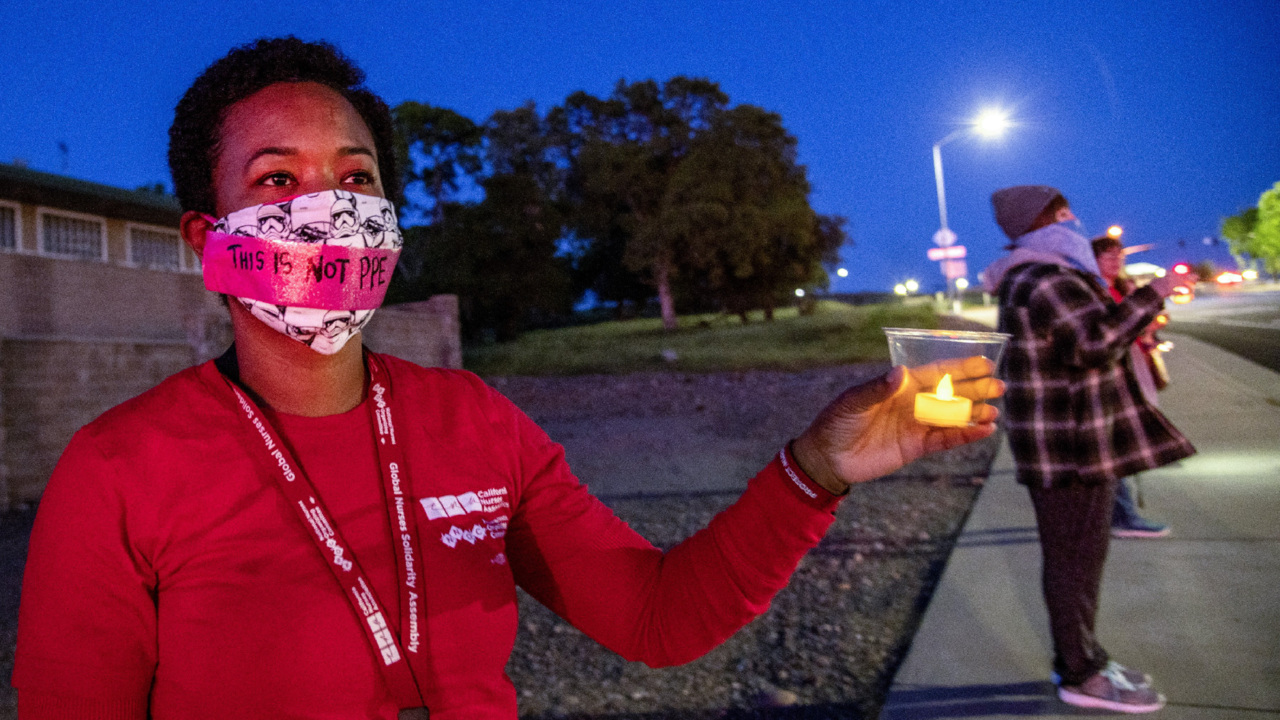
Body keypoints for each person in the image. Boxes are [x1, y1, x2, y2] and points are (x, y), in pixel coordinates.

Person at [13, 37, 1003, 720]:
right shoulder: (118, 472)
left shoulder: (472, 420)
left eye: (355, 178)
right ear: (206, 236)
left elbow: (657, 619)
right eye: (277, 180)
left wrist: (813, 471)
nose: (329, 208)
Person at [981, 185, 1195, 714]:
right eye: (1063, 213)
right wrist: (1155, 292)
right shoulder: (1045, 276)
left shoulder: (1039, 273)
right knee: (1074, 562)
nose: (1074, 221)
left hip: (1071, 443)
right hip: (1071, 448)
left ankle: (1085, 658)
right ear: (1042, 222)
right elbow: (1094, 344)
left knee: (1078, 558)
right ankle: (1080, 672)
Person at [1092, 234, 1172, 538]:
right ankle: (1123, 517)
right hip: (1114, 370)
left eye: (1119, 255)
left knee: (1117, 445)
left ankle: (1120, 515)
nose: (1116, 260)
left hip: (1131, 363)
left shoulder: (1120, 287)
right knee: (1115, 447)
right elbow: (1108, 333)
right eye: (1108, 256)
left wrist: (1150, 330)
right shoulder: (1095, 291)